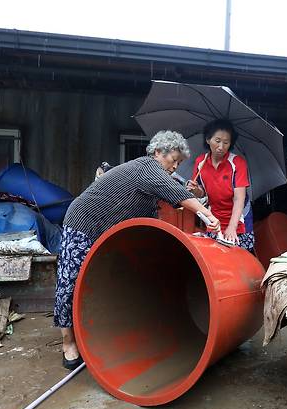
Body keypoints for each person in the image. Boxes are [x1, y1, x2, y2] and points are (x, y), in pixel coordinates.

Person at [54, 131, 219, 370]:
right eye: (173, 160)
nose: (175, 167)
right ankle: (68, 343)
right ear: (157, 153)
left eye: (179, 163)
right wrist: (207, 214)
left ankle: (97, 332)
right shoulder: (147, 167)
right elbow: (177, 194)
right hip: (83, 222)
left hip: (106, 230)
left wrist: (196, 195)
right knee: (70, 282)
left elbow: (165, 207)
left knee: (103, 280)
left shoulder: (155, 180)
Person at [186, 119, 255, 253]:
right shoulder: (200, 162)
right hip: (214, 220)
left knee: (239, 259)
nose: (221, 147)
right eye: (217, 141)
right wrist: (195, 190)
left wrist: (232, 227)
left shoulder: (237, 163)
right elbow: (202, 193)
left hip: (238, 221)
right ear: (208, 140)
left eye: (226, 142)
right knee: (215, 258)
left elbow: (239, 198)